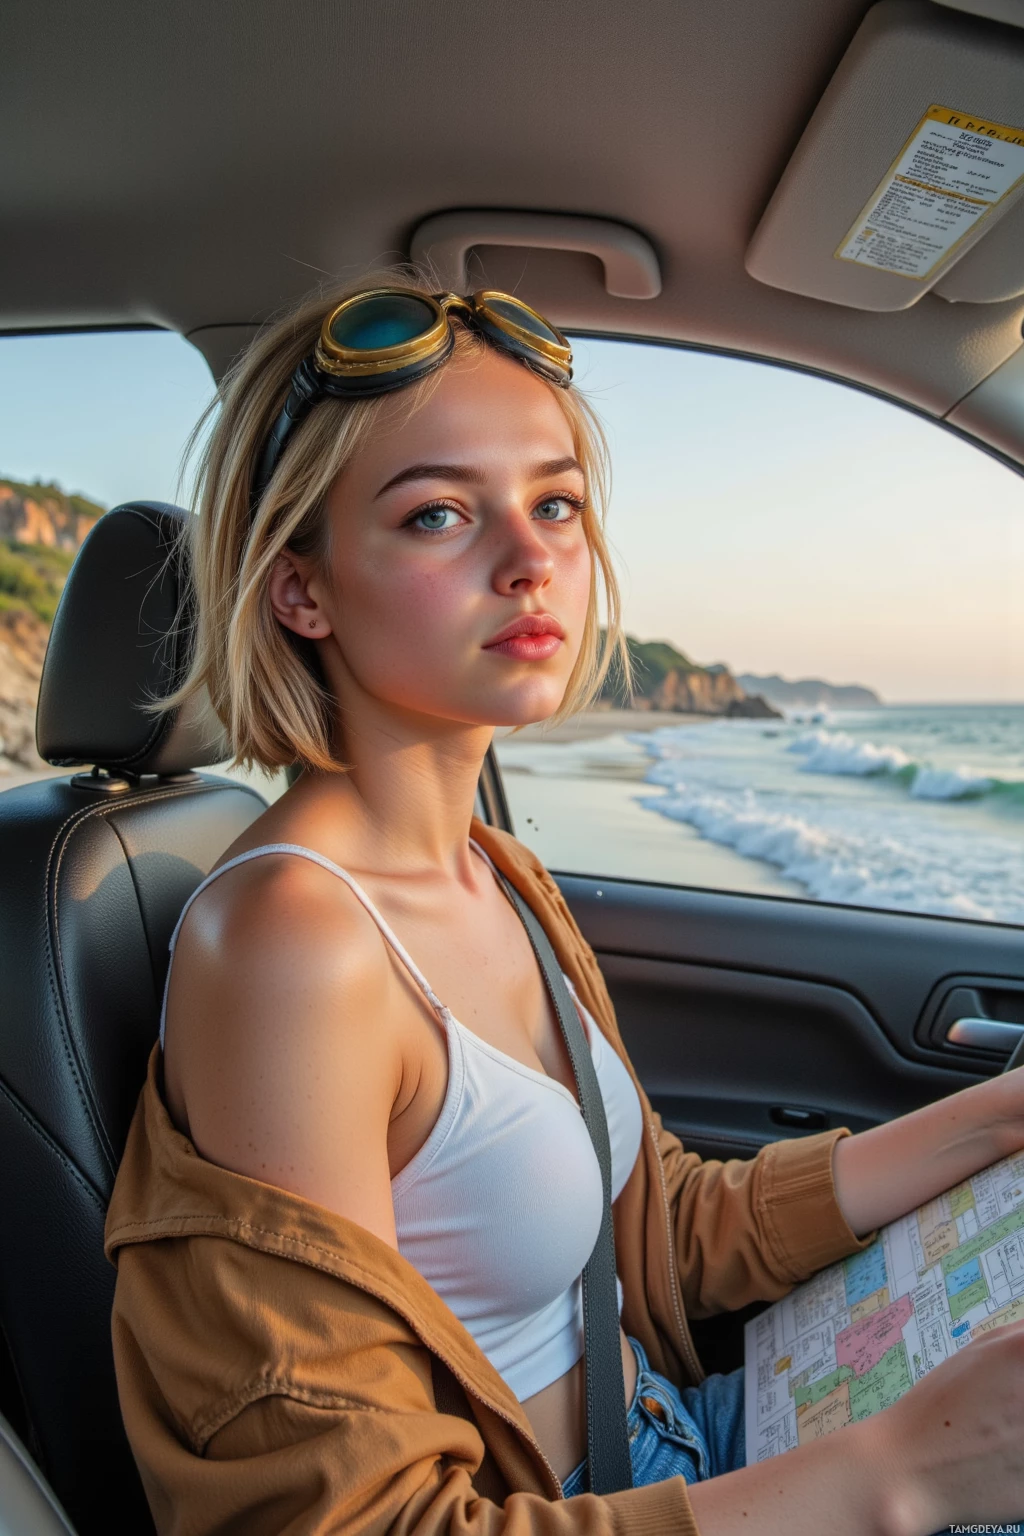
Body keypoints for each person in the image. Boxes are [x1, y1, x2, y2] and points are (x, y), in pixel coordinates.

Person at [106, 270, 1024, 1536]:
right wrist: (903, 1474)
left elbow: (658, 1234)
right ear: (301, 589)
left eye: (556, 503)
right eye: (437, 515)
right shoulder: (291, 945)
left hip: (673, 1441)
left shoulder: (494, 867)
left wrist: (997, 1121)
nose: (531, 557)